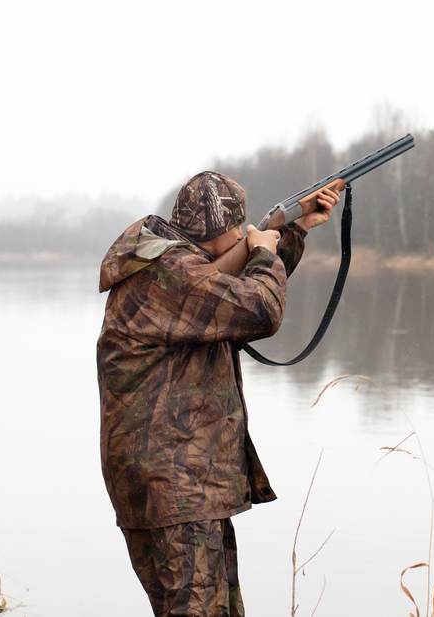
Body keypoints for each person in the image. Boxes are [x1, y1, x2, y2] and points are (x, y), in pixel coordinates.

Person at [96, 170, 339, 616]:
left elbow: (228, 295)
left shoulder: (166, 264)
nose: (244, 235)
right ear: (225, 232)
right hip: (177, 489)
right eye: (240, 231)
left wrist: (295, 229)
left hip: (175, 486)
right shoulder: (170, 274)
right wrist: (262, 251)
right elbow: (259, 309)